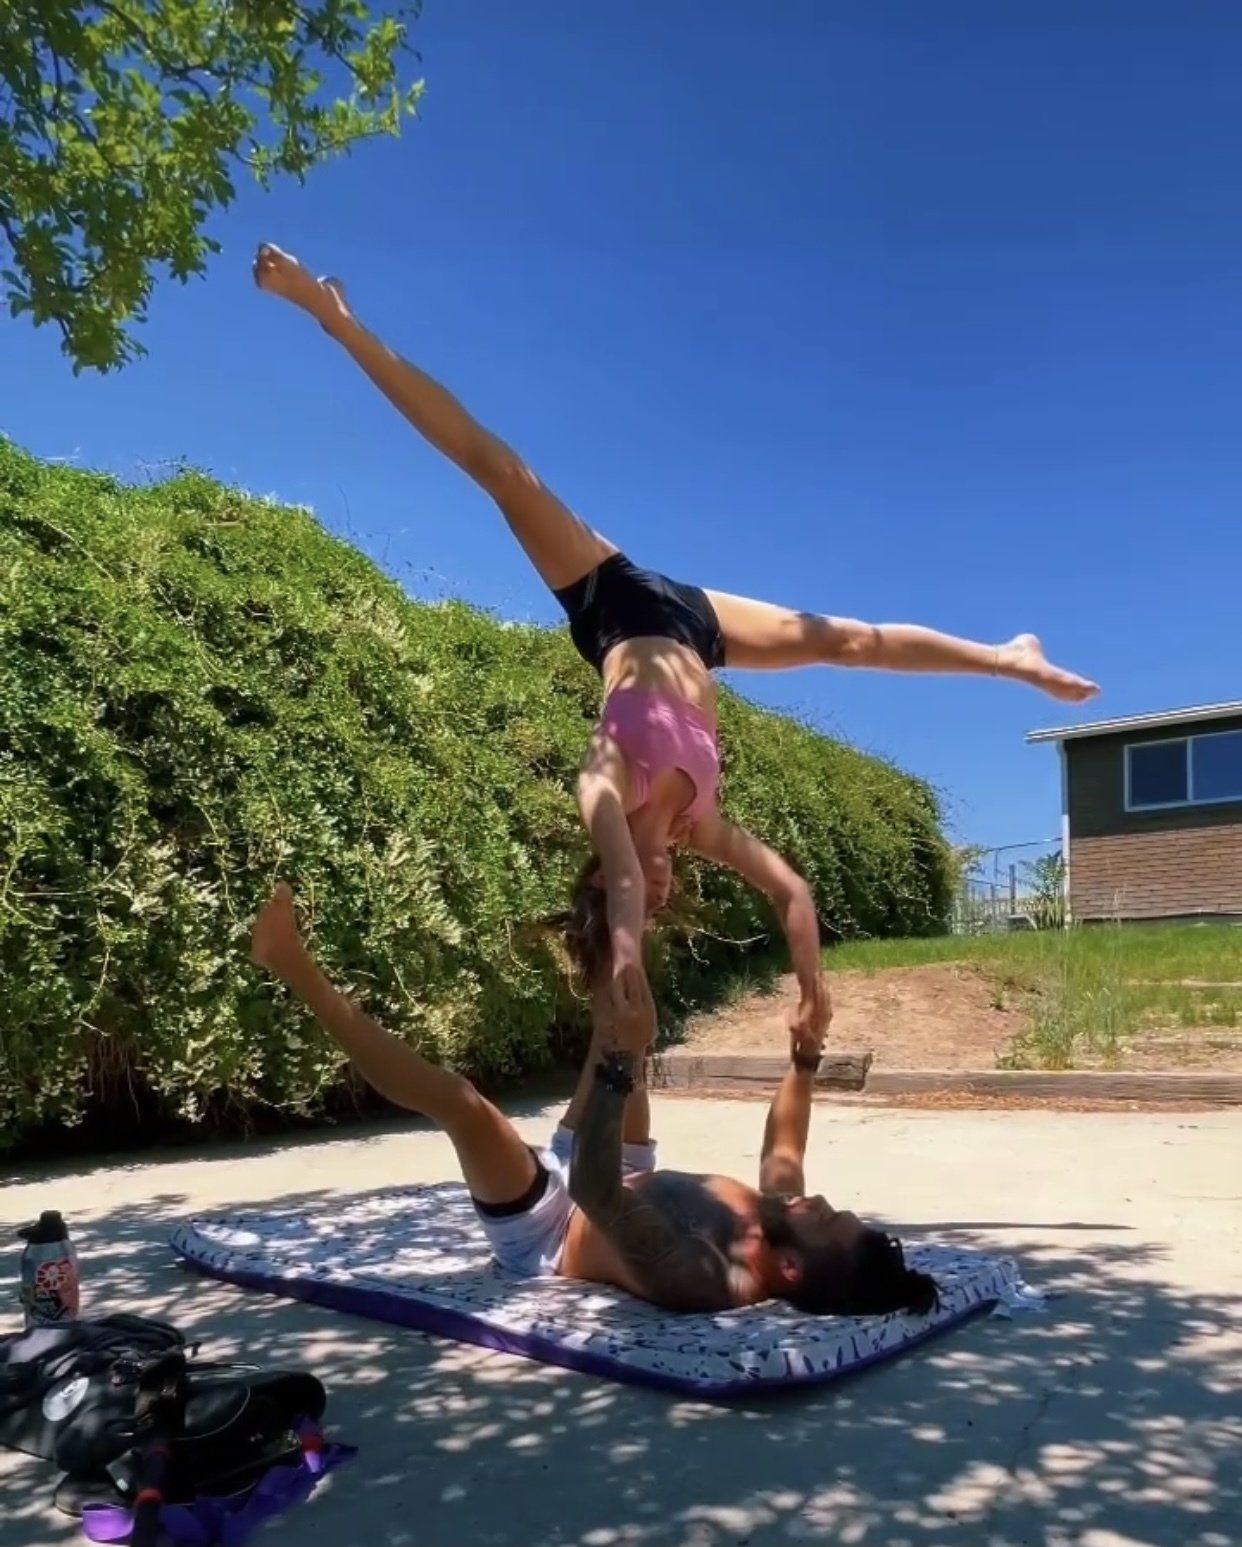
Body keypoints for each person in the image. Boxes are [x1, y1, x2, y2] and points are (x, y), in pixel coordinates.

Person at [252, 243, 1097, 1055]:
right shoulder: (702, 824)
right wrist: (813, 989)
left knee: (501, 473)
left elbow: (621, 883)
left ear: (603, 874)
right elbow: (791, 891)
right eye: (660, 907)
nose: (655, 895)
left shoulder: (605, 795)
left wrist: (625, 970)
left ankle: (336, 320)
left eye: (637, 899)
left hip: (610, 602)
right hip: (699, 625)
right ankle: (1006, 656)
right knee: (843, 639)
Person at [251, 883, 939, 1317]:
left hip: (554, 1223)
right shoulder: (780, 1217)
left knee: (463, 1105)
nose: (817, 1202)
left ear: (790, 1268)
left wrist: (620, 1063)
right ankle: (600, 916)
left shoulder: (704, 1275)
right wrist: (805, 1053)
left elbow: (594, 1188)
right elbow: (785, 1145)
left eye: (827, 1220)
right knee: (627, 1007)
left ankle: (292, 967)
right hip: (620, 1165)